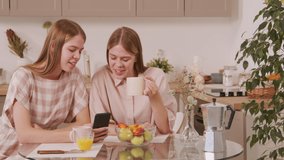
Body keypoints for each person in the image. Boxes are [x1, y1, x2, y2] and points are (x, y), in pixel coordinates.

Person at [0, 19, 107, 158]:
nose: (77, 56)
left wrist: (40, 134)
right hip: (10, 152)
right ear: (53, 46)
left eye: (80, 51)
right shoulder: (24, 77)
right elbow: (24, 135)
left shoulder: (74, 76)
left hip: (43, 149)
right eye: (72, 50)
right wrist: (71, 135)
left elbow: (84, 123)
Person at [89, 26, 177, 134]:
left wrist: (155, 97)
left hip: (152, 146)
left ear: (136, 57)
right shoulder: (101, 78)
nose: (118, 64)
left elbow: (165, 130)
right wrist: (135, 130)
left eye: (125, 59)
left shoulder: (156, 76)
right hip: (114, 146)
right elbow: (100, 126)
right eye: (113, 57)